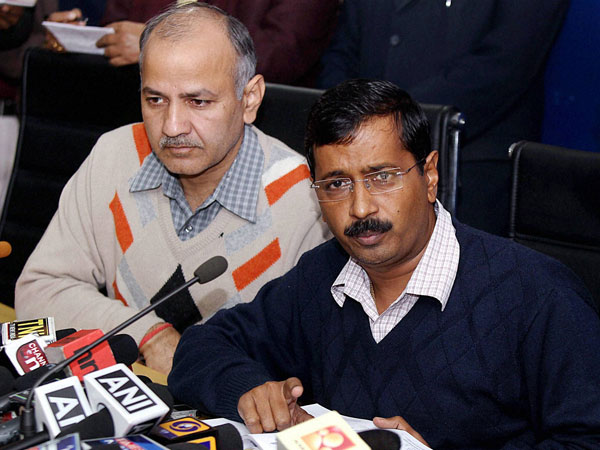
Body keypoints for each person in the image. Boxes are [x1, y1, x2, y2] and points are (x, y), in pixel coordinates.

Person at [169, 79, 600, 448]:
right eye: (337, 184)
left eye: (382, 177)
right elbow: (200, 349)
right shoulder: (322, 275)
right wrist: (248, 390)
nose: (360, 207)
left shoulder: (537, 296)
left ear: (429, 176)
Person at [15, 3, 329, 374]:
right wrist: (148, 334)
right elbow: (38, 291)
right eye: (156, 100)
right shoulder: (114, 154)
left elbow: (310, 360)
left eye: (198, 101)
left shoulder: (307, 200)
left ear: (250, 99)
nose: (172, 126)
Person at [317, 0, 570, 236]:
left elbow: (507, 61)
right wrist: (345, 116)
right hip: (356, 151)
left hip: (471, 165)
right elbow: (342, 50)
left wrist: (393, 122)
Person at [51, 0, 339, 86]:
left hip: (249, 134)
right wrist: (75, 37)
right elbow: (118, 31)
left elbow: (280, 55)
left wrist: (161, 42)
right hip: (134, 119)